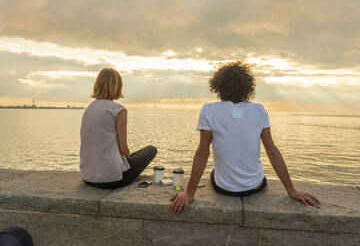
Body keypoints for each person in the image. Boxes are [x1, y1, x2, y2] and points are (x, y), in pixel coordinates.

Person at [171, 61, 320, 214]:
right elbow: (272, 151)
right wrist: (291, 190)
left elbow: (203, 153)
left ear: (218, 87)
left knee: (214, 172)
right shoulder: (259, 110)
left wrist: (189, 193)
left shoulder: (209, 110)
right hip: (255, 187)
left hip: (224, 189)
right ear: (247, 88)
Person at [80, 68, 157, 189]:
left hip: (88, 177)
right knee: (151, 150)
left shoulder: (89, 109)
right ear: (117, 86)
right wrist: (126, 162)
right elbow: (123, 149)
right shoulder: (118, 110)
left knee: (132, 157)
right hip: (112, 178)